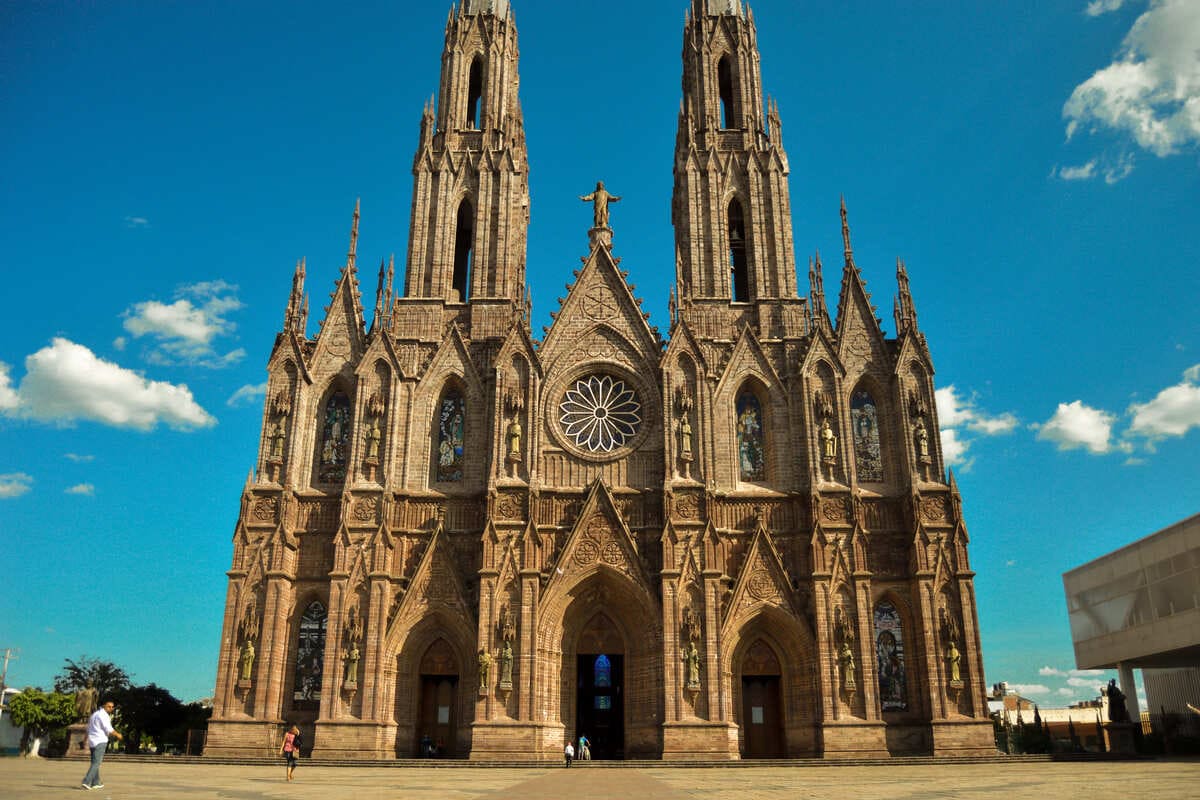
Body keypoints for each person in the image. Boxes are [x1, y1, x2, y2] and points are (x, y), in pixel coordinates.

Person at [81, 699, 123, 790]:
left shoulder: (94, 715)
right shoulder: (103, 715)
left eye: (112, 707)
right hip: (100, 740)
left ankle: (96, 782)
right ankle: (86, 781)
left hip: (92, 741)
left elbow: (88, 728)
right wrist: (118, 734)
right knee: (97, 762)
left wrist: (85, 739)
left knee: (94, 762)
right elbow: (108, 728)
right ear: (104, 706)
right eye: (109, 706)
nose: (111, 708)